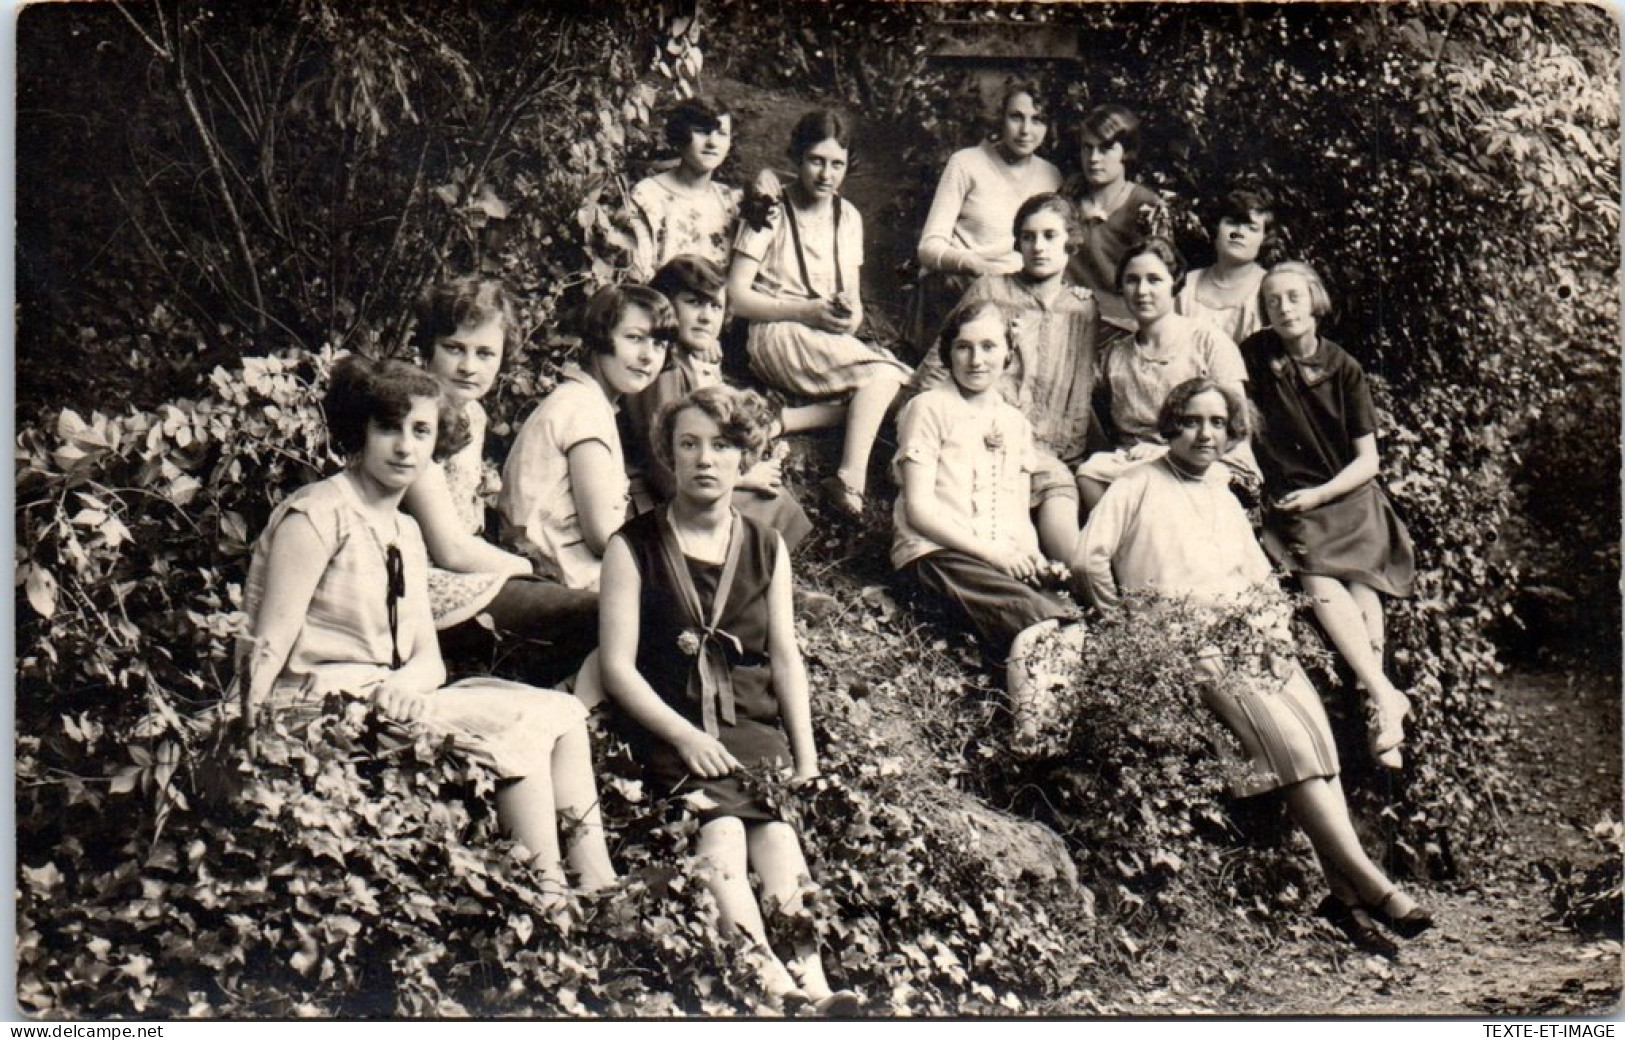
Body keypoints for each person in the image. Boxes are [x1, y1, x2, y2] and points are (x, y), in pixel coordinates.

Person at [1076, 377, 1433, 956]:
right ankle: (1372, 885)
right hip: (1184, 642)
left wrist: (1271, 634)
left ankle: (1341, 898)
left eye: (1218, 424)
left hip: (1246, 638)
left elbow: (1260, 581)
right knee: (1288, 744)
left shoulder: (1221, 492)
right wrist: (1127, 625)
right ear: (1172, 424)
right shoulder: (1137, 483)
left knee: (1321, 744)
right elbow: (1087, 557)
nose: (1205, 434)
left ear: (1230, 432)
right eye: (1193, 421)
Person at [237, 356, 617, 901]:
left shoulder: (404, 532)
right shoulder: (319, 513)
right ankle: (546, 898)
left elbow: (426, 661)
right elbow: (266, 643)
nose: (405, 447)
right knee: (516, 735)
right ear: (360, 431)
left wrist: (405, 688)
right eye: (388, 428)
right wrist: (246, 732)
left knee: (561, 712)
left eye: (420, 431)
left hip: (382, 699)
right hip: (316, 705)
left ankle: (599, 887)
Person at [598, 384, 862, 1015]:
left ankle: (814, 979)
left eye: (721, 446)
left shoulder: (766, 546)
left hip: (753, 724)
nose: (705, 459)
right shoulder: (631, 547)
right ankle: (767, 976)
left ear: (746, 456)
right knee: (719, 834)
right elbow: (616, 667)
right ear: (668, 455)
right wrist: (685, 736)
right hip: (675, 728)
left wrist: (807, 759)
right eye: (688, 445)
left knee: (777, 836)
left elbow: (786, 656)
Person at [1242, 262, 1416, 768]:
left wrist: (1322, 495)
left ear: (1315, 300)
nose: (1284, 308)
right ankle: (1384, 699)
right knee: (1317, 573)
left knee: (1362, 585)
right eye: (1273, 301)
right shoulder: (1256, 354)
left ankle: (1381, 700)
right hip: (1295, 496)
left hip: (1345, 493)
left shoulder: (1344, 367)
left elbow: (1369, 461)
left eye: (1293, 297)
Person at [894, 300, 1085, 750]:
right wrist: (994, 553)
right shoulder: (928, 408)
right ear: (948, 353)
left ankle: (1050, 747)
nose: (976, 360)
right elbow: (920, 511)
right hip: (935, 555)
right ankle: (1029, 748)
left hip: (989, 560)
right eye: (963, 348)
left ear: (1008, 354)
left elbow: (1019, 516)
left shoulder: (1015, 423)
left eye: (988, 347)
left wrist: (1035, 559)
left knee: (1071, 626)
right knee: (1038, 626)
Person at [405, 276, 598, 684]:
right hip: (427, 590)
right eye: (454, 348)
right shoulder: (414, 416)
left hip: (469, 576)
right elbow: (449, 548)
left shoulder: (471, 414)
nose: (468, 367)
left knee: (606, 610)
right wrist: (525, 567)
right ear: (426, 348)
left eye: (485, 353)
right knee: (594, 613)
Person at [728, 109, 910, 519]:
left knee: (901, 390)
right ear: (797, 157)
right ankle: (850, 481)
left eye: (837, 164)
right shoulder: (770, 209)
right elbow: (735, 297)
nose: (826, 174)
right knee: (884, 377)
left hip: (824, 334)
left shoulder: (848, 218)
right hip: (775, 330)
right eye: (816, 161)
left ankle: (788, 419)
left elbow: (853, 302)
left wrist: (849, 318)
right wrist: (805, 311)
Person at [912, 192, 1102, 555]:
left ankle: (1094, 595)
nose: (1038, 247)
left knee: (1065, 507)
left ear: (1071, 242)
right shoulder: (991, 289)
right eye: (1028, 237)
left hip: (1049, 448)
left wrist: (1071, 451)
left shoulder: (1081, 307)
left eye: (1050, 236)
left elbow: (1079, 388)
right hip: (986, 434)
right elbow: (942, 357)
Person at [623, 255, 812, 550]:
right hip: (649, 502)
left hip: (676, 488)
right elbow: (666, 475)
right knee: (770, 500)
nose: (706, 317)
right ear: (666, 307)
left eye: (715, 306)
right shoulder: (663, 370)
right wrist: (742, 476)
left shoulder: (681, 360)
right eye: (694, 303)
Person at [498, 284, 673, 592]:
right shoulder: (581, 408)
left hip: (559, 571)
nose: (648, 356)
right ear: (600, 338)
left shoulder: (589, 402)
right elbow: (603, 536)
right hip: (554, 578)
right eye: (634, 338)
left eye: (659, 344)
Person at [1075, 236, 1258, 512]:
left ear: (1175, 282)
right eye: (1132, 280)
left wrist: (1169, 451)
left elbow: (1237, 426)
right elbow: (1077, 395)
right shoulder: (1116, 355)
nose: (1142, 290)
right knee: (1090, 473)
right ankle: (1127, 551)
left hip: (1208, 457)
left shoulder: (1207, 341)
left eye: (1154, 279)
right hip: (1139, 465)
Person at [911, 81, 1064, 353]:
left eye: (1037, 120)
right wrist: (975, 265)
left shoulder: (1051, 175)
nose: (1026, 130)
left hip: (1022, 296)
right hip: (963, 288)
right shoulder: (966, 163)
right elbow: (928, 247)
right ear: (1001, 118)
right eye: (1016, 117)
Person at [1065, 104, 1167, 331]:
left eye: (1106, 148)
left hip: (1124, 322)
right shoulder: (1067, 198)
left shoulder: (1145, 205)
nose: (1093, 158)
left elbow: (1156, 279)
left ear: (1126, 152)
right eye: (1087, 148)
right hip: (1068, 316)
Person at [625, 97, 742, 283]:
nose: (712, 142)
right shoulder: (647, 196)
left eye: (721, 133)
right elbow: (639, 278)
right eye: (702, 131)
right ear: (680, 135)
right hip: (660, 306)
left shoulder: (731, 201)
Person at [1175, 189, 1278, 345]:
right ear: (1216, 229)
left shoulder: (1270, 288)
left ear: (1264, 239)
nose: (1239, 233)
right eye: (1232, 222)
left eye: (1252, 228)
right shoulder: (1186, 285)